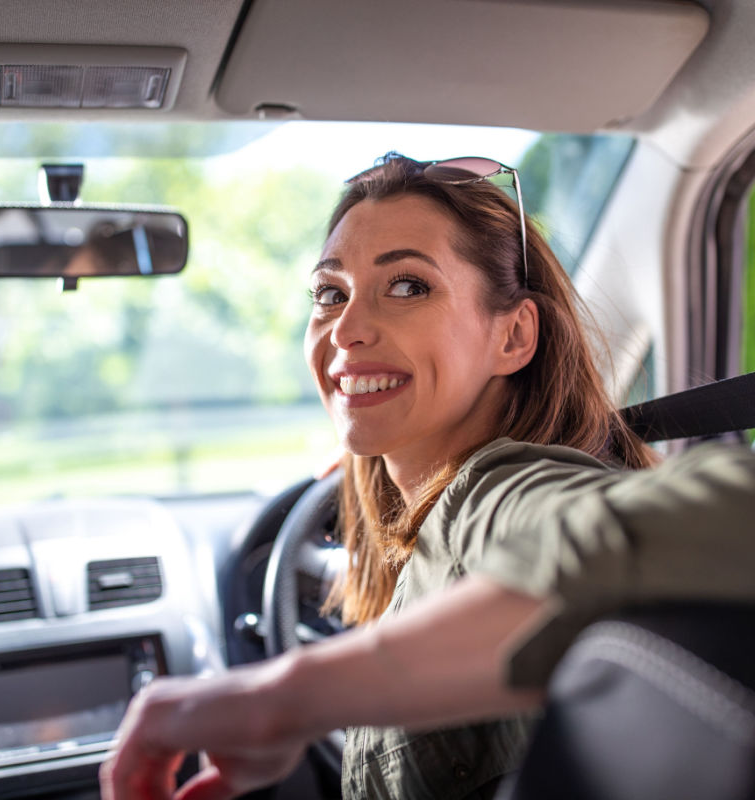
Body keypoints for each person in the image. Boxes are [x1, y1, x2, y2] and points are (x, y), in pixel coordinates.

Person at [99, 154, 755, 800]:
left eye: (409, 286)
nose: (346, 330)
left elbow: (727, 515)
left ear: (514, 336)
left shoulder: (496, 490)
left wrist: (285, 696)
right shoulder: (430, 500)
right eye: (330, 294)